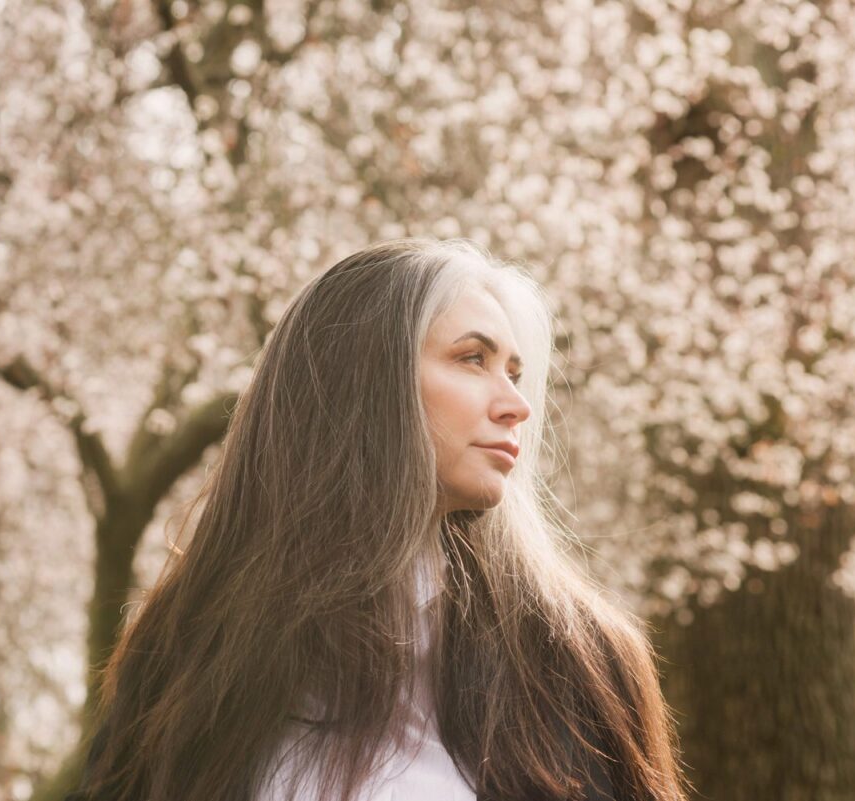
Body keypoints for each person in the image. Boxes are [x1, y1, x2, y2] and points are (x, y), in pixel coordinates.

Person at [66, 239, 688, 801]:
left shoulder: (577, 663)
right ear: (364, 383)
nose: (517, 406)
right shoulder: (188, 655)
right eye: (473, 359)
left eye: (516, 373)